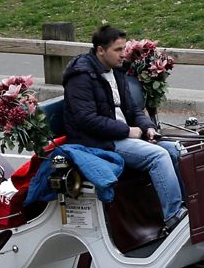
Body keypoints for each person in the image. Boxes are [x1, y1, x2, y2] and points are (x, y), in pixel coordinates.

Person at [62, 25, 186, 231]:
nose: (123, 55)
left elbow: (133, 109)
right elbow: (87, 120)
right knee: (158, 156)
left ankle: (186, 207)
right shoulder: (81, 76)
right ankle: (173, 217)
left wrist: (147, 127)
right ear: (100, 50)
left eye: (123, 48)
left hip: (121, 134)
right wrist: (127, 131)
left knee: (176, 150)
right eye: (118, 50)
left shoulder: (116, 71)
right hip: (97, 141)